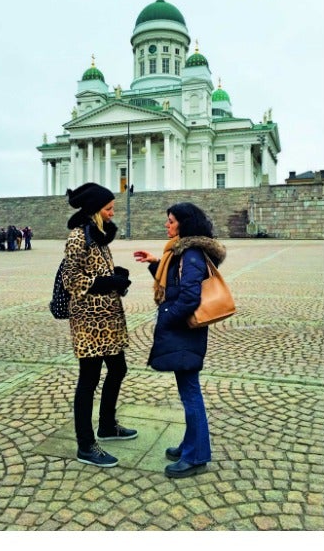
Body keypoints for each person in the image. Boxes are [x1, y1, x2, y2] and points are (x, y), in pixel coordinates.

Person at [133, 202, 226, 478]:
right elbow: (175, 282)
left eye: (171, 221)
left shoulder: (191, 254)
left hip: (186, 331)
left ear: (184, 224)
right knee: (188, 391)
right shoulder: (181, 252)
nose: (167, 225)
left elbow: (188, 298)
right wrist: (155, 264)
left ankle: (196, 456)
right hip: (184, 332)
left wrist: (167, 316)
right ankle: (190, 445)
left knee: (191, 394)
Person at [62, 183, 135, 467]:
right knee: (88, 380)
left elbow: (96, 271)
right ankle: (85, 445)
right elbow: (73, 280)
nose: (112, 212)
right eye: (108, 208)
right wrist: (107, 282)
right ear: (94, 210)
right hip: (90, 321)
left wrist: (116, 276)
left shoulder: (99, 237)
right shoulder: (78, 238)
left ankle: (106, 425)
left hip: (108, 318)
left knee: (119, 368)